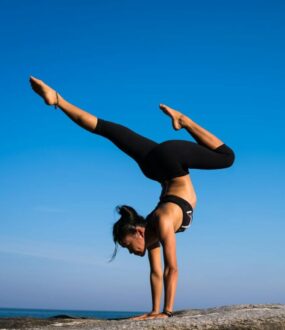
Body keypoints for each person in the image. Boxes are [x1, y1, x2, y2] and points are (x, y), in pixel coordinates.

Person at [29, 76, 235, 320]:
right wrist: (154, 312)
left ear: (138, 231)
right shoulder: (153, 232)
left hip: (171, 161)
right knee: (106, 129)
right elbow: (156, 273)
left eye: (127, 245)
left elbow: (172, 268)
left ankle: (184, 120)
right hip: (156, 166)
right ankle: (58, 100)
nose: (130, 252)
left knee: (227, 157)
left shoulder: (160, 222)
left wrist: (167, 313)